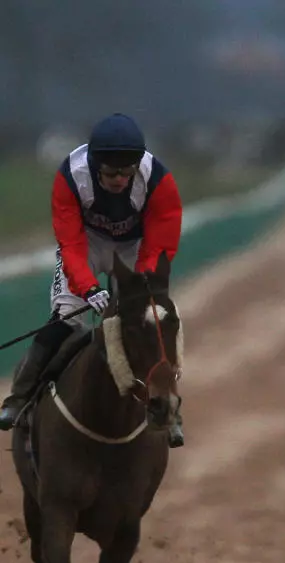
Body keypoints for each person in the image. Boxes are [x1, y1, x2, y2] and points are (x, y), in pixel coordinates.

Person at [0, 113, 183, 433]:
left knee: (157, 319)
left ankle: (169, 405)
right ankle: (20, 397)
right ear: (96, 165)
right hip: (87, 243)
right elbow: (70, 243)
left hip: (134, 246)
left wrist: (140, 284)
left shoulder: (157, 180)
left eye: (126, 173)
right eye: (111, 173)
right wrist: (88, 288)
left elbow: (160, 244)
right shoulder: (71, 176)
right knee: (67, 317)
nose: (119, 181)